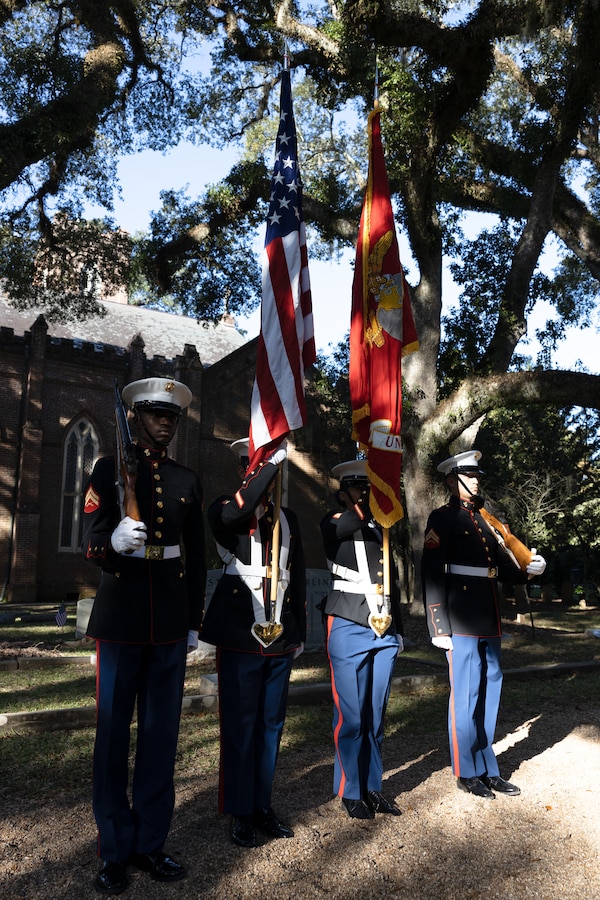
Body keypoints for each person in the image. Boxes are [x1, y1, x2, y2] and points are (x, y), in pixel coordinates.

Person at [82, 377, 206, 894]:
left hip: (170, 624)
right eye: (156, 414)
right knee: (112, 740)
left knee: (160, 741)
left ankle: (151, 844)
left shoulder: (186, 478)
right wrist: (110, 542)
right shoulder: (109, 469)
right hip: (120, 620)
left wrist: (194, 621)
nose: (165, 422)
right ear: (134, 417)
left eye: (171, 416)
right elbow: (91, 541)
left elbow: (196, 555)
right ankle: (114, 849)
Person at [422, 449, 546, 799]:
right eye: (470, 475)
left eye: (478, 475)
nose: (477, 480)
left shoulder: (486, 518)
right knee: (466, 694)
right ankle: (466, 770)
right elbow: (431, 573)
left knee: (490, 690)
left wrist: (527, 571)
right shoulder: (442, 518)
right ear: (452, 480)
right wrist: (438, 624)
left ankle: (488, 767)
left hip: (488, 614)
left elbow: (498, 567)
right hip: (459, 616)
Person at [200, 438, 306, 848]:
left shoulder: (289, 518)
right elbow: (238, 511)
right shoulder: (225, 509)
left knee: (271, 725)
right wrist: (264, 474)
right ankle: (239, 809)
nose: (262, 473)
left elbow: (293, 579)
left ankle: (262, 803)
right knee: (240, 726)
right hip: (240, 633)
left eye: (267, 467)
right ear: (246, 467)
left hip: (279, 635)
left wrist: (296, 632)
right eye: (256, 466)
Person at [319, 459, 404, 820]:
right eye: (358, 488)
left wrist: (399, 631)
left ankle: (372, 786)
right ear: (342, 492)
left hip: (382, 629)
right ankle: (350, 790)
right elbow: (349, 524)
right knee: (351, 717)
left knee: (375, 715)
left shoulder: (380, 529)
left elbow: (392, 581)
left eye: (369, 488)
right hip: (348, 623)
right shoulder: (334, 521)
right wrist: (375, 498)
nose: (366, 494)